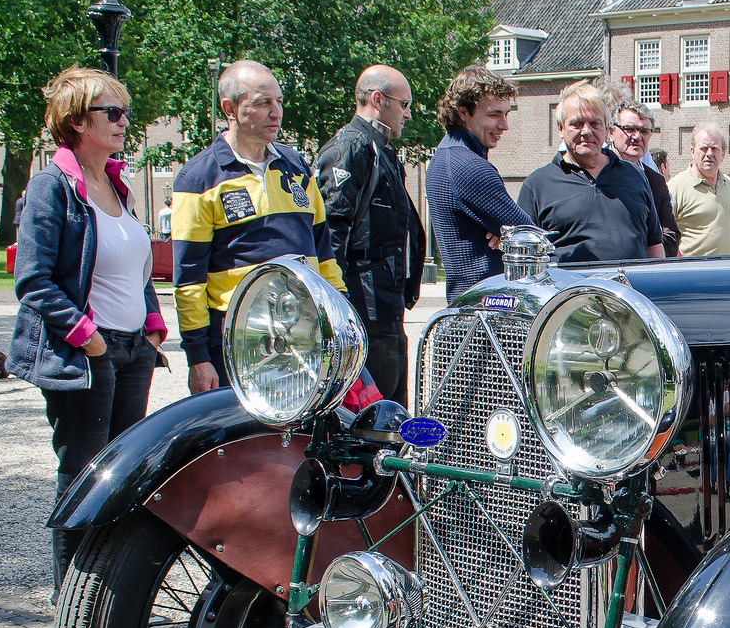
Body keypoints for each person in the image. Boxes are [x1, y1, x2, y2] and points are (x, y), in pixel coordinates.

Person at [8, 66, 169, 590]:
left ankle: (106, 597)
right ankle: (71, 606)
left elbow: (134, 266)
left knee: (123, 478)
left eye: (125, 112)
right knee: (83, 479)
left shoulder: (118, 185)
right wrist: (90, 337)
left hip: (132, 352)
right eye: (112, 113)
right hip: (88, 356)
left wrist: (150, 327)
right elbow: (33, 281)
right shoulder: (51, 187)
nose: (124, 122)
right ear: (77, 122)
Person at [169, 59, 352, 394]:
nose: (276, 112)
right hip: (238, 343)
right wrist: (198, 356)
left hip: (304, 335)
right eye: (262, 103)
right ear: (230, 108)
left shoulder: (296, 166)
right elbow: (189, 279)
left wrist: (341, 312)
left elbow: (324, 252)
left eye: (279, 102)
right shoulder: (198, 178)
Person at [315, 64, 428, 403]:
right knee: (373, 406)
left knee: (393, 401)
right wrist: (338, 308)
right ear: (379, 100)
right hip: (365, 303)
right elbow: (331, 231)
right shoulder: (352, 149)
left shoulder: (381, 149)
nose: (407, 115)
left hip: (386, 302)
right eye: (404, 104)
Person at [517, 81, 663, 262]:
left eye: (595, 123)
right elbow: (524, 257)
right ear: (560, 128)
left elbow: (654, 246)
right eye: (577, 124)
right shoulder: (537, 186)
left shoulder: (635, 176)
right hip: (571, 290)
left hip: (628, 288)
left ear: (607, 128)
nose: (586, 131)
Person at [426, 65, 528, 300]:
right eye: (494, 115)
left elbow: (515, 230)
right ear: (463, 112)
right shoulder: (469, 167)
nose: (504, 125)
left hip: (466, 306)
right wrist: (511, 234)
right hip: (486, 312)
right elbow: (532, 238)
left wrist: (504, 233)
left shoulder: (444, 156)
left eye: (506, 114)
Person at [609, 101, 676, 256]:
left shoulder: (656, 182)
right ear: (611, 131)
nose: (637, 136)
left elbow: (671, 236)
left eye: (644, 131)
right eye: (629, 129)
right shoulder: (595, 174)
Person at [670, 122, 730, 258]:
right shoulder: (675, 188)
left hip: (727, 273)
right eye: (704, 148)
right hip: (693, 275)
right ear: (692, 152)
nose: (709, 154)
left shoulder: (729, 185)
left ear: (723, 154)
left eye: (715, 148)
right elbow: (662, 235)